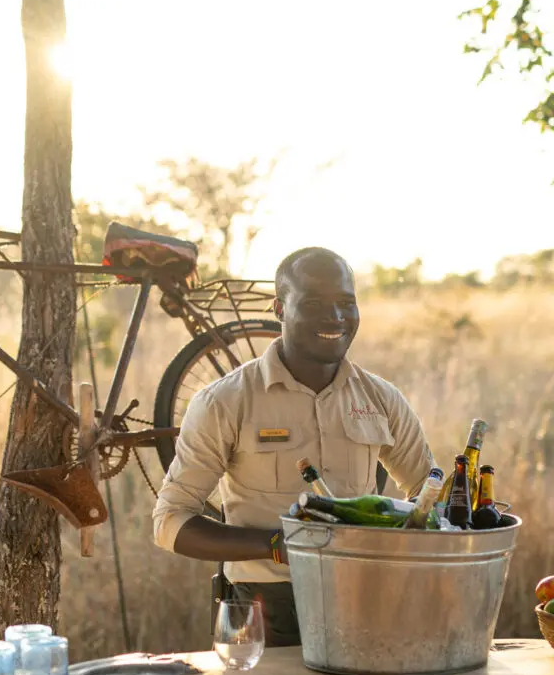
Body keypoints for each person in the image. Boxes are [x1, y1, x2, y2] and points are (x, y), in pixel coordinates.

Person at [152, 247, 434, 647]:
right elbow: (169, 522)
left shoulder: (382, 399)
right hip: (263, 607)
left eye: (345, 303)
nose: (334, 318)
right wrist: (275, 545)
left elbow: (429, 492)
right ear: (280, 309)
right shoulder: (225, 401)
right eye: (314, 303)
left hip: (364, 601)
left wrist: (391, 541)